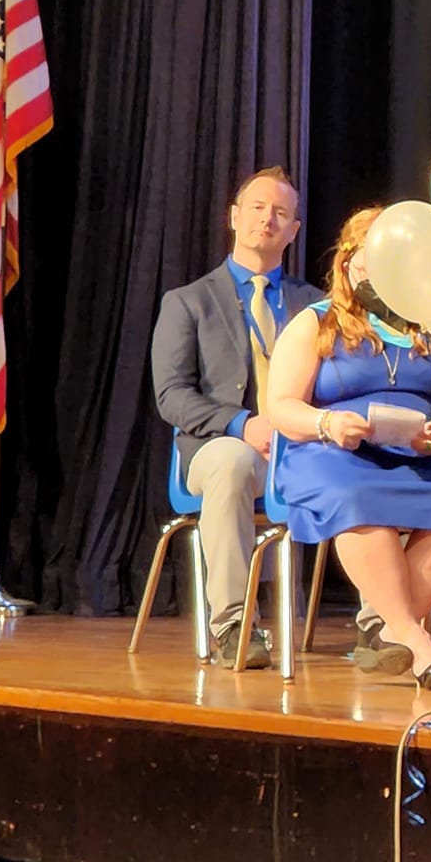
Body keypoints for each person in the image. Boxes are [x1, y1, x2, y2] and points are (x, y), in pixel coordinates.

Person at [263, 206, 431, 691]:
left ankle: (389, 631)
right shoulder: (316, 322)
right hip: (336, 453)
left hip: (423, 451)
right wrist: (327, 423)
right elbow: (279, 405)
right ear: (349, 261)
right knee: (358, 497)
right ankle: (418, 643)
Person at [151, 166, 321, 669]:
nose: (267, 219)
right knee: (232, 461)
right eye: (257, 208)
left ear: (294, 230)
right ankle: (233, 625)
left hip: (301, 452)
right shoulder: (189, 302)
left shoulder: (316, 306)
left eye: (281, 213)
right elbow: (171, 396)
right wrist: (242, 424)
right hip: (217, 450)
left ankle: (382, 626)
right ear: (233, 217)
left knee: (372, 462)